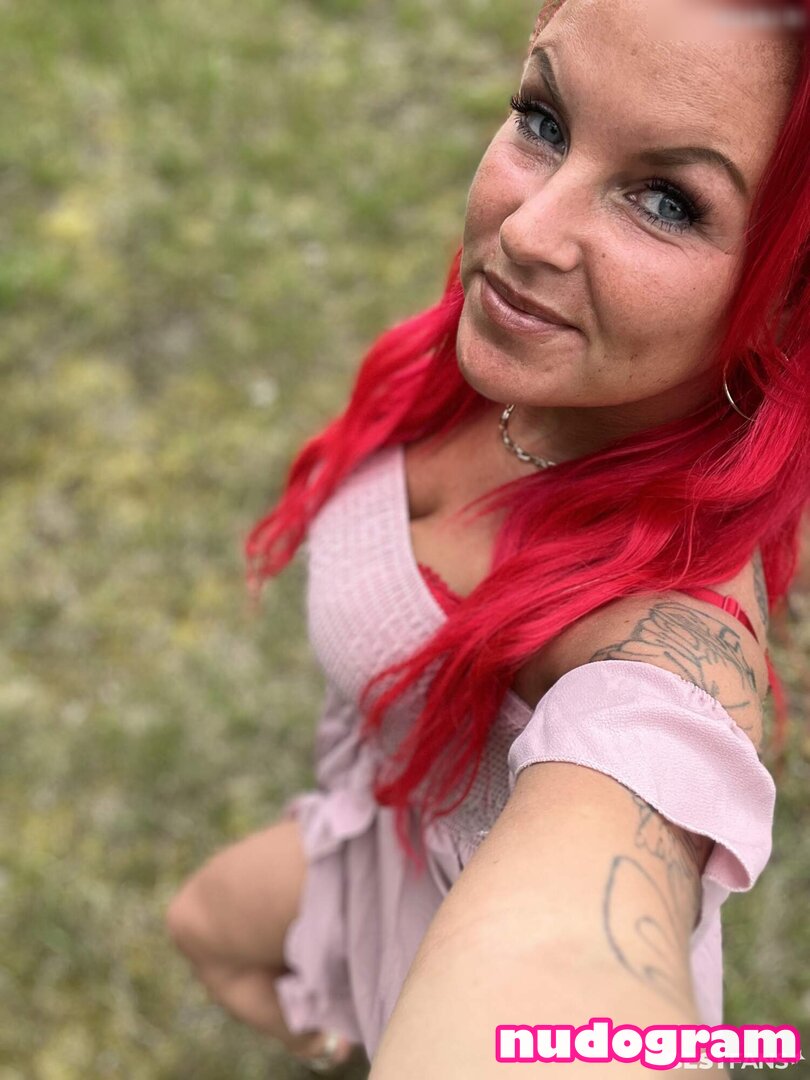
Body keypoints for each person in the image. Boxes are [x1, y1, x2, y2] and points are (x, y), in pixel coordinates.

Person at [165, 0, 809, 1075]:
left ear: (790, 300)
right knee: (204, 928)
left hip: (448, 923)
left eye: (666, 200)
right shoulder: (536, 361)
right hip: (371, 834)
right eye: (545, 120)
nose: (526, 231)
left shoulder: (659, 648)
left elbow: (577, 946)